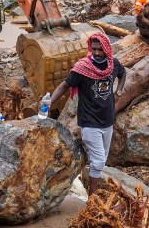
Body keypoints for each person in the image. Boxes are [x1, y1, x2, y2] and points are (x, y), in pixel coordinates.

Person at [49, 33, 126, 195]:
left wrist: (119, 89)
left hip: (108, 121)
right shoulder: (82, 68)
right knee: (98, 162)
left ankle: (86, 185)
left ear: (107, 49)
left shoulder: (113, 65)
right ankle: (93, 198)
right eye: (94, 49)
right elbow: (64, 86)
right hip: (90, 122)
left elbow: (123, 73)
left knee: (101, 160)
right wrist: (49, 103)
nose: (97, 53)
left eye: (100, 50)